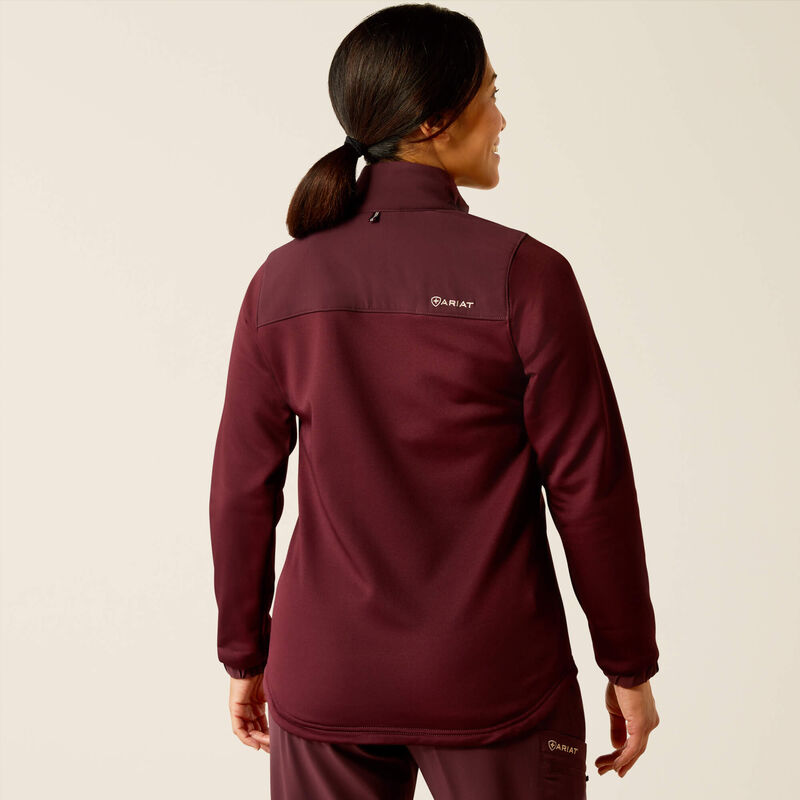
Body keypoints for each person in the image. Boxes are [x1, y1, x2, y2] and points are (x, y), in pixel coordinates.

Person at [209, 3, 660, 798]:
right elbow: (589, 488)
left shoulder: (283, 280)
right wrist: (627, 664)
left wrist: (244, 654)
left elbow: (242, 488)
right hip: (496, 680)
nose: (502, 119)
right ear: (432, 120)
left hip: (327, 677)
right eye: (491, 95)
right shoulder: (527, 276)